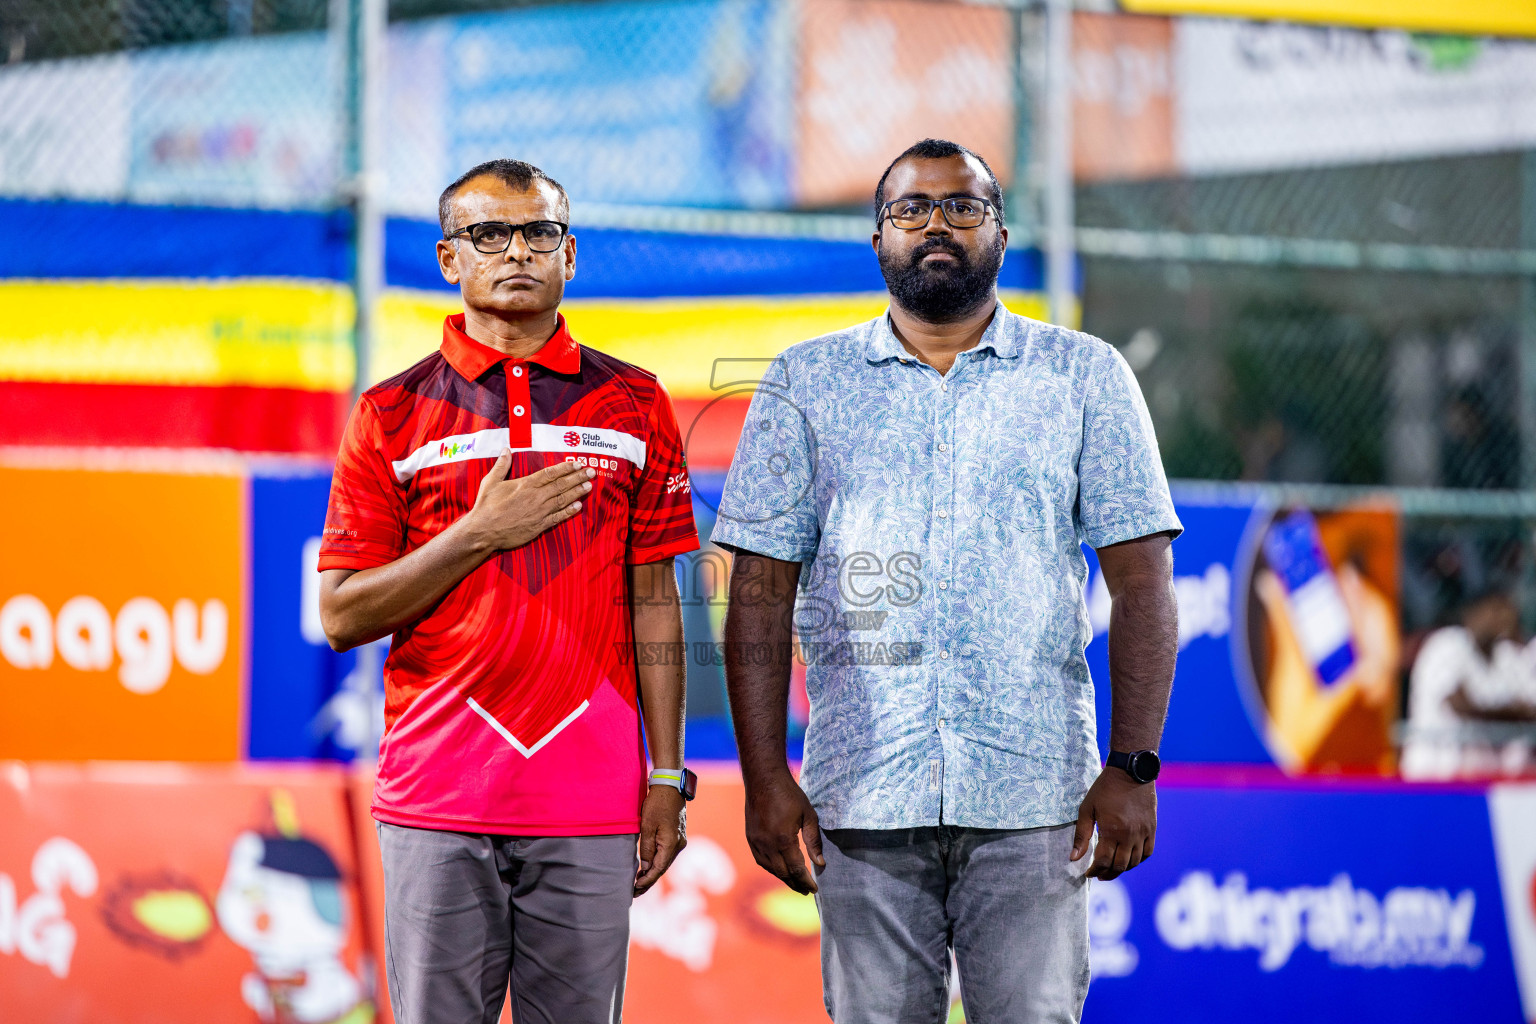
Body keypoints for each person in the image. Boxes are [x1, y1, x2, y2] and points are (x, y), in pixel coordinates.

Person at [712, 138, 1182, 1024]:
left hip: (1037, 797)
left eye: (963, 207)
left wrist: (1133, 767)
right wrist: (766, 778)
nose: (937, 224)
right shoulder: (804, 383)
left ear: (1001, 234)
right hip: (862, 798)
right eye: (911, 208)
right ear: (878, 237)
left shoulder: (1085, 377)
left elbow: (1144, 584)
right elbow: (761, 597)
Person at [316, 159, 700, 1024]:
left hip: (592, 798)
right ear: (450, 259)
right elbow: (341, 614)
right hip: (437, 799)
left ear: (573, 255)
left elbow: (655, 601)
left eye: (538, 233)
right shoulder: (390, 412)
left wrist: (668, 774)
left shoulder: (636, 404)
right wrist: (477, 534)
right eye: (490, 234)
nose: (516, 251)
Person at [1402, 589, 1536, 779]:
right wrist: (1514, 714)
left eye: (1508, 609)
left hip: (1481, 777)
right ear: (1473, 614)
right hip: (1434, 771)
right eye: (1495, 609)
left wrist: (1516, 714)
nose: (1504, 617)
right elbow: (1459, 703)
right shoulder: (1448, 642)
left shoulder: (1506, 655)